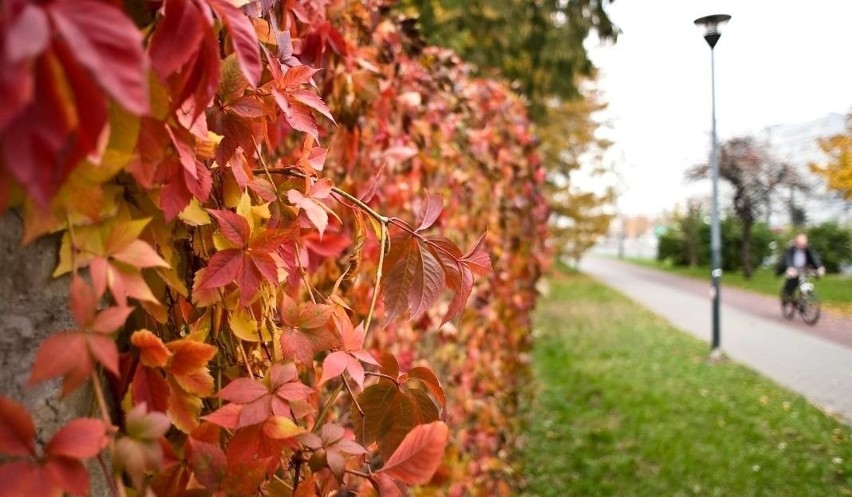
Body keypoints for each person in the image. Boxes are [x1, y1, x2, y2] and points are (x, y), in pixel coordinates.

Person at [780, 233, 826, 302]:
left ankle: (803, 300)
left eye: (804, 244)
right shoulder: (791, 249)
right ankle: (788, 295)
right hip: (793, 269)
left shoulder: (808, 248)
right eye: (800, 244)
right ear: (796, 242)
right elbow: (788, 259)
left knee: (805, 281)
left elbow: (814, 258)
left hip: (804, 269)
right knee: (791, 283)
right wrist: (790, 268)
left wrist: (820, 267)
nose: (802, 246)